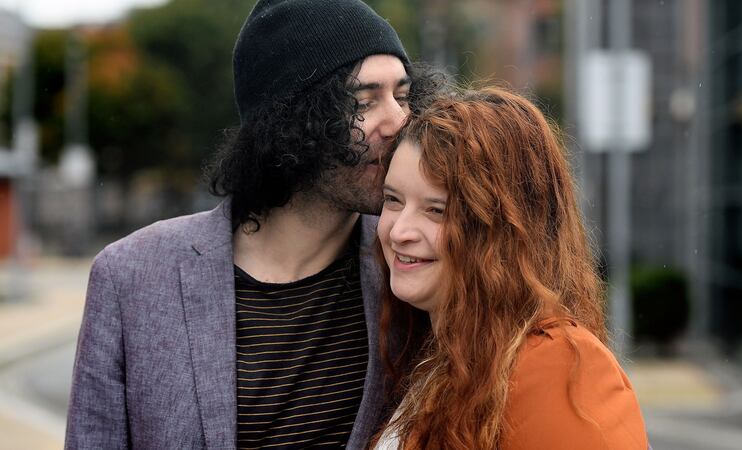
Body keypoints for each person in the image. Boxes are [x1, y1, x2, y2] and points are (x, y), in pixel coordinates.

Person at [66, 0, 442, 448]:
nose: (400, 122)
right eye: (363, 101)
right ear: (291, 121)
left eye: (403, 96)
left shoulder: (417, 271)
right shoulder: (130, 276)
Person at [373, 87, 649, 449]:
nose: (398, 231)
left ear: (505, 229)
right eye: (393, 200)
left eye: (436, 210)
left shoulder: (558, 366)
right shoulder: (440, 351)